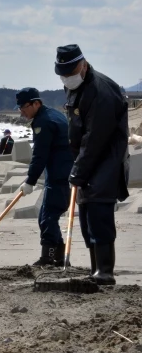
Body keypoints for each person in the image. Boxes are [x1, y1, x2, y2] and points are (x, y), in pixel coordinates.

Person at [56, 44, 129, 285]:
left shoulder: (101, 91)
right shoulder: (75, 88)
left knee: (99, 212)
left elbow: (95, 138)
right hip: (86, 159)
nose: (67, 78)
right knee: (86, 213)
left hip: (106, 159)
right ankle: (95, 267)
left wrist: (78, 170)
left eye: (70, 72)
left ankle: (105, 271)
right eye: (62, 74)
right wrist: (78, 167)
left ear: (83, 65)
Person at [16, 87, 74, 266]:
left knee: (47, 217)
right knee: (48, 215)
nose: (22, 112)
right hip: (65, 172)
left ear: (36, 103)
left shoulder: (44, 122)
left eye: (24, 107)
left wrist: (30, 181)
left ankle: (48, 257)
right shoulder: (54, 115)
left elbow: (40, 154)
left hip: (59, 174)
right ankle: (59, 256)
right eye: (19, 108)